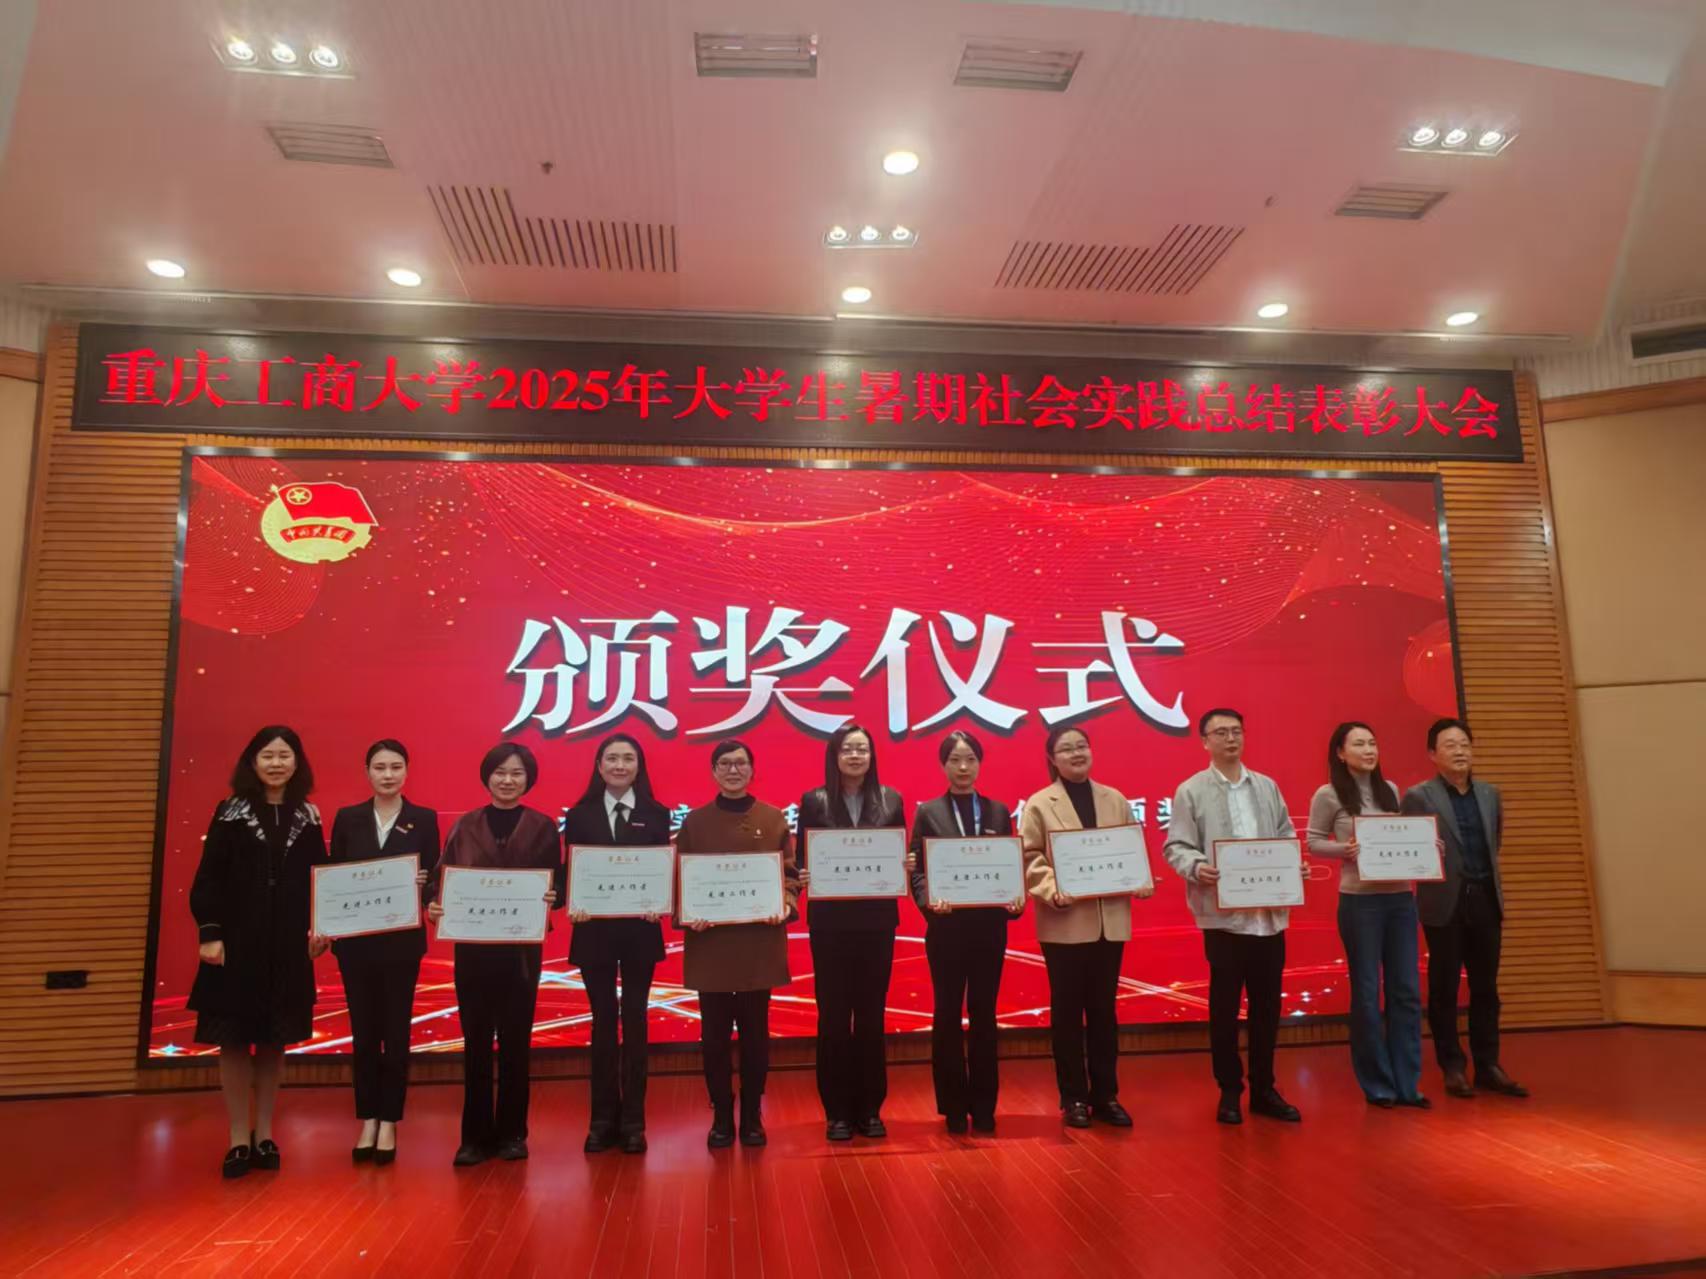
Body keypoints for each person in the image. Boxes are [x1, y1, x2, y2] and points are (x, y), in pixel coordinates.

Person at [188, 725, 327, 1179]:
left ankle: (264, 1132)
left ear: (297, 763)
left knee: (273, 1041)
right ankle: (237, 1138)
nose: (276, 763)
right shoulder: (230, 811)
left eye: (285, 755)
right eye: (267, 755)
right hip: (235, 943)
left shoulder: (309, 815)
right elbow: (209, 877)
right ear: (252, 762)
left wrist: (322, 928)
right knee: (233, 1041)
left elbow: (321, 879)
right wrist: (210, 933)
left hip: (287, 945)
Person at [1163, 708, 1303, 1126]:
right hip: (1223, 918)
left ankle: (1264, 1089)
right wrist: (1196, 866)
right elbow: (1176, 846)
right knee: (1224, 1009)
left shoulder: (1266, 786)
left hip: (1268, 916)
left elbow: (1286, 835)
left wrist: (1292, 863)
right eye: (1220, 732)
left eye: (1236, 731)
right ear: (1204, 741)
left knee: (1267, 1008)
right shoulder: (1191, 790)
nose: (1230, 739)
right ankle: (1229, 1090)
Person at [427, 742, 561, 1167]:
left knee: (517, 1042)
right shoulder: (464, 826)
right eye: (500, 772)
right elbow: (440, 881)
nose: (507, 780)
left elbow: (556, 886)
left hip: (521, 951)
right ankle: (474, 1137)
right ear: (487, 777)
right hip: (474, 950)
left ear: (528, 779)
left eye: (517, 773)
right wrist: (434, 903)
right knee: (476, 1042)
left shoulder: (543, 827)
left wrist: (554, 896)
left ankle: (513, 1134)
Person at [1019, 725, 1146, 1130]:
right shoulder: (1040, 803)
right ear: (1052, 759)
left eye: (1082, 746)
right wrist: (1052, 890)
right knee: (1069, 1013)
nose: (1076, 754)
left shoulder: (1115, 799)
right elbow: (1029, 857)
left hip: (1109, 921)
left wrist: (1139, 878)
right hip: (1065, 921)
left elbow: (1130, 850)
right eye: (1066, 749)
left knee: (1104, 1012)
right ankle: (1073, 1096)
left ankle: (1106, 1095)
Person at [675, 738, 799, 1149]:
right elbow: (679, 879)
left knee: (755, 1038)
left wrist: (784, 902)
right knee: (713, 1039)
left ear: (752, 770)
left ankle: (751, 1115)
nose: (733, 770)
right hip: (710, 945)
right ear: (713, 771)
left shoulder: (773, 818)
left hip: (756, 944)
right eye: (725, 764)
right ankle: (721, 1114)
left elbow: (790, 876)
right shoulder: (694, 823)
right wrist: (687, 911)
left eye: (741, 763)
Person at [320, 740, 440, 1165]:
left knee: (397, 1031)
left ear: (407, 771)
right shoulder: (349, 818)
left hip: (401, 943)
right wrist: (325, 926)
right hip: (356, 944)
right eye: (379, 767)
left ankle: (390, 1119)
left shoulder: (423, 818)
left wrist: (426, 888)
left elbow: (433, 878)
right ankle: (367, 1117)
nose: (388, 775)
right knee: (364, 1033)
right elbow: (334, 877)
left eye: (396, 767)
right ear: (367, 772)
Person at [797, 723, 912, 1142]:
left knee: (870, 1014)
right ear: (834, 755)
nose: (855, 756)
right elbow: (802, 859)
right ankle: (837, 1111)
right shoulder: (814, 801)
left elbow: (899, 853)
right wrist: (803, 873)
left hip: (876, 922)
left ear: (872, 756)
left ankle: (870, 1108)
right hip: (829, 923)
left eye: (862, 749)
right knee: (832, 1015)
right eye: (848, 749)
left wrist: (906, 864)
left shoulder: (891, 799)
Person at [1403, 718, 1528, 1100]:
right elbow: (1411, 849)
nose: (1459, 751)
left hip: (1485, 898)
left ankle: (1488, 1064)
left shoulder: (1490, 794)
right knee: (1444, 987)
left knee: (1486, 987)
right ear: (1432, 754)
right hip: (1444, 901)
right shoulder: (1419, 796)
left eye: (1464, 744)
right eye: (1450, 745)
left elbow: (1495, 841)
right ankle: (1453, 1067)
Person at [1307, 722, 1427, 1109]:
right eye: (1358, 744)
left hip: (1400, 900)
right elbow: (1313, 842)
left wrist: (1426, 846)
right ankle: (1378, 1084)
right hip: (1360, 902)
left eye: (1372, 743)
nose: (1369, 750)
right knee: (1367, 992)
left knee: (1406, 991)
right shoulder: (1328, 794)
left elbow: (1399, 836)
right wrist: (1345, 850)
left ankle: (1408, 1083)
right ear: (1340, 753)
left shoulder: (1389, 789)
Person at [562, 733, 670, 1155]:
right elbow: (573, 872)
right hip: (594, 933)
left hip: (641, 931)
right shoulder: (579, 815)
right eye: (612, 758)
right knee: (603, 1021)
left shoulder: (657, 814)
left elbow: (662, 870)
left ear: (639, 766)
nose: (620, 765)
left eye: (628, 758)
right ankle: (602, 1119)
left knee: (636, 1020)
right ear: (599, 765)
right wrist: (574, 900)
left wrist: (659, 902)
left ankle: (634, 1122)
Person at [910, 729, 1022, 1134]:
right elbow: (918, 872)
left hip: (989, 929)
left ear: (979, 763)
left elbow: (1008, 866)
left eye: (970, 759)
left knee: (984, 1013)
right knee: (946, 1014)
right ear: (943, 765)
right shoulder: (929, 812)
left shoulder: (998, 811)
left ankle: (985, 1105)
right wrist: (929, 902)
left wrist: (1014, 898)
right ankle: (954, 1107)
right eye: (955, 760)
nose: (963, 767)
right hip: (946, 929)